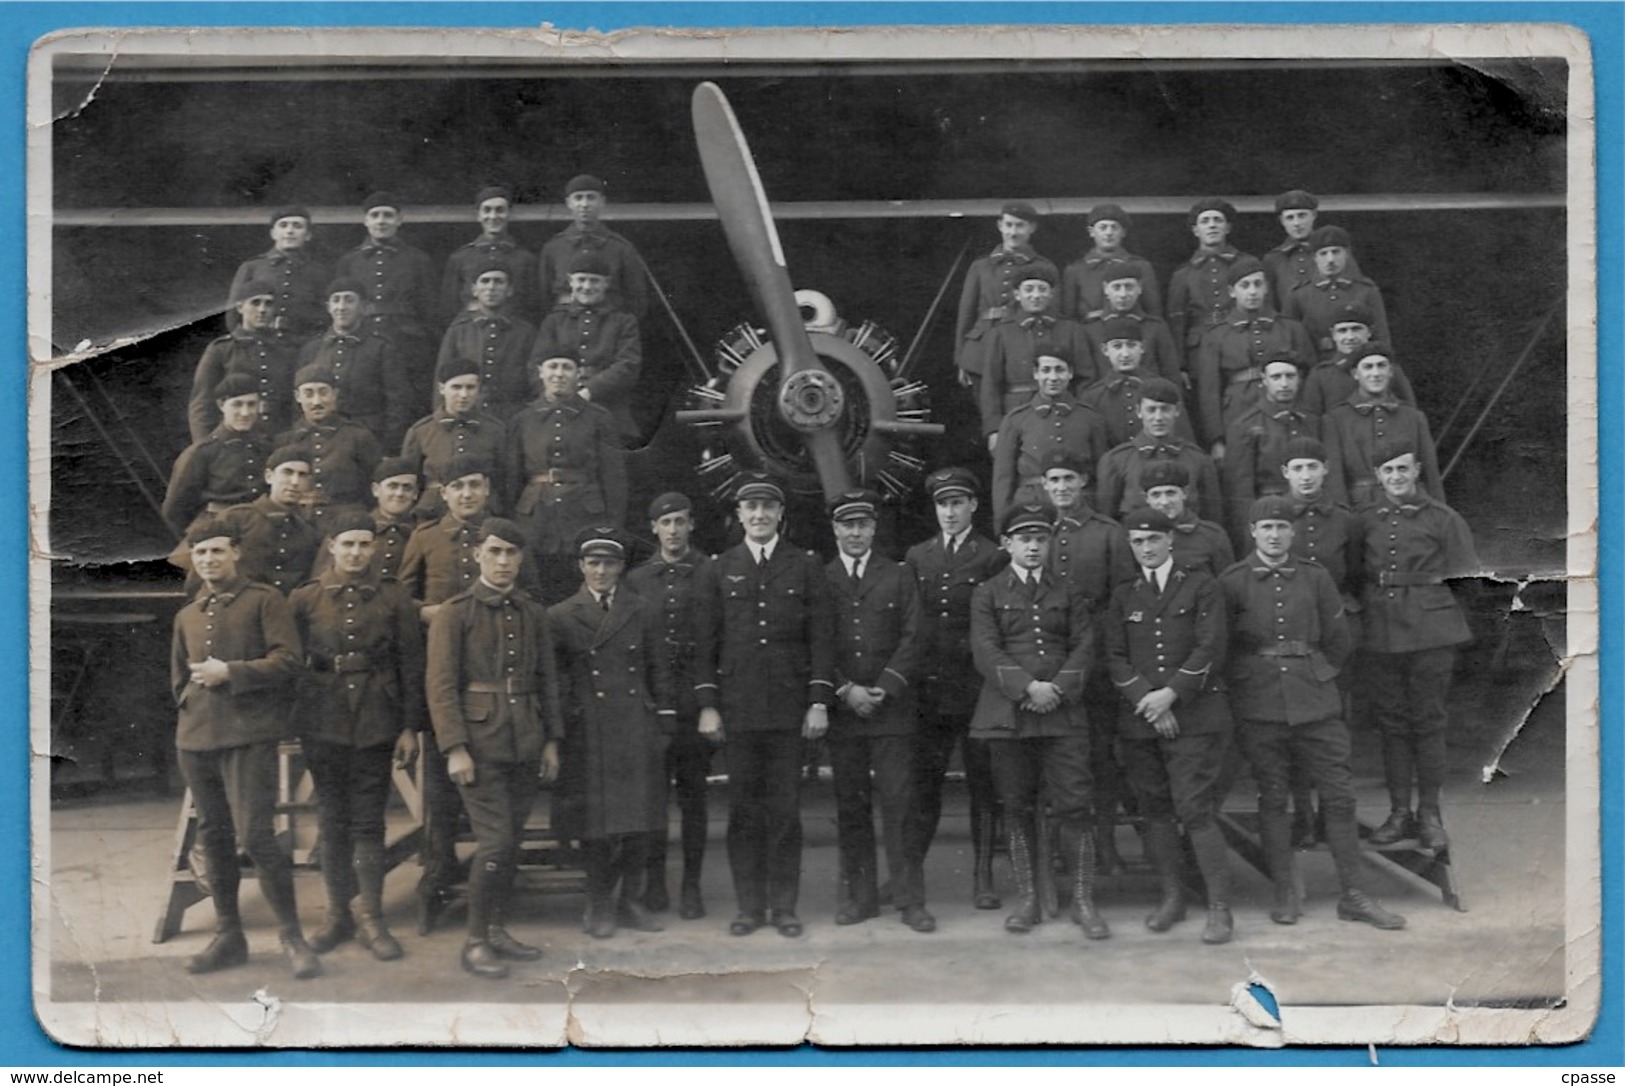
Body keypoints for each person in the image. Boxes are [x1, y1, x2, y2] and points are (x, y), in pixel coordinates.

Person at [1218, 495, 1405, 929]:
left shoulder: (1315, 578)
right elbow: (1222, 647)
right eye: (1266, 528)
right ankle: (1285, 891)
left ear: (1292, 532)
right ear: (1252, 532)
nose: (1275, 535)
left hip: (1317, 701)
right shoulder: (1232, 581)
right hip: (1259, 702)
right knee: (1274, 797)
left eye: (1282, 527)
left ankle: (1354, 895)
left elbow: (1339, 639)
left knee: (1339, 796)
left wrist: (1318, 675)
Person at [169, 517, 316, 978]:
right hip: (196, 739)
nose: (209, 560)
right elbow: (177, 679)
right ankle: (229, 936)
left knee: (256, 836)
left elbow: (289, 661)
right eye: (201, 554)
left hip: (249, 736)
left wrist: (231, 673)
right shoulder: (188, 614)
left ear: (235, 553)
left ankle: (292, 937)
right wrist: (193, 702)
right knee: (213, 837)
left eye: (217, 551)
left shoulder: (264, 601)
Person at [691, 473, 836, 938]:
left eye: (767, 508)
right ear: (739, 516)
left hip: (790, 710)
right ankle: (749, 907)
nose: (759, 515)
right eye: (750, 508)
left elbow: (821, 640)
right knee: (743, 812)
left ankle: (784, 906)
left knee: (786, 812)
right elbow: (705, 645)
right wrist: (708, 706)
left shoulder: (805, 566)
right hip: (738, 710)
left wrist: (817, 700)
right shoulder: (719, 568)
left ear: (780, 516)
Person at [426, 518, 563, 979]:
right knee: (495, 843)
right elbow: (441, 687)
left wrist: (550, 742)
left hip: (525, 737)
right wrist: (454, 748)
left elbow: (547, 681)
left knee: (511, 842)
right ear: (478, 556)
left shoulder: (531, 612)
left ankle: (498, 929)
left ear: (522, 560)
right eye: (495, 552)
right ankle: (476, 940)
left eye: (511, 554)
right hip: (479, 744)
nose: (504, 562)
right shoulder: (455, 611)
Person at [288, 510, 425, 961]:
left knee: (369, 819)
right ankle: (335, 916)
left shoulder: (394, 598)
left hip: (376, 717)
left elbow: (411, 665)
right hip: (322, 717)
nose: (356, 552)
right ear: (331, 546)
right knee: (331, 818)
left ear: (375, 548)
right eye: (347, 544)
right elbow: (290, 663)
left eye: (364, 544)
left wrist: (409, 726)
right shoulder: (305, 599)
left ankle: (372, 917)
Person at [968, 503, 1107, 940]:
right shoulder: (987, 593)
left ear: (1050, 543)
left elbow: (1085, 647)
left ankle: (1084, 901)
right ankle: (1027, 898)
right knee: (1016, 806)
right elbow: (986, 650)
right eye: (1024, 539)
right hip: (1009, 715)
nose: (1033, 546)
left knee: (1075, 807)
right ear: (1008, 543)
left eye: (1041, 539)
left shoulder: (1068, 592)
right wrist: (1029, 688)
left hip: (1063, 714)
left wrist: (1057, 690)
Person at [1103, 507, 1234, 944]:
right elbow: (1115, 656)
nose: (1146, 548)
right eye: (1138, 542)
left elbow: (1210, 647)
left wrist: (1170, 695)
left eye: (1153, 539)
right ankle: (1172, 897)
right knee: (1155, 810)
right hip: (1141, 721)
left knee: (1195, 809)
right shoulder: (1124, 594)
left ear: (1170, 540)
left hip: (1193, 717)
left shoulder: (1201, 584)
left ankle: (1219, 908)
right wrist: (1146, 699)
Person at [396, 453, 506, 934]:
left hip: (493, 681)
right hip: (441, 680)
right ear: (443, 493)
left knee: (495, 790)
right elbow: (400, 599)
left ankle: (496, 886)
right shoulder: (425, 538)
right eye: (458, 486)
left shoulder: (503, 537)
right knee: (441, 792)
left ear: (486, 489)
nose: (467, 494)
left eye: (476, 485)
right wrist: (425, 613)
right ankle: (436, 882)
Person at [550, 526, 672, 939]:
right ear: (581, 566)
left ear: (622, 567)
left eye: (610, 563)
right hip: (590, 730)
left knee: (639, 819)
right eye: (594, 563)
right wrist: (570, 718)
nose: (602, 571)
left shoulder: (643, 609)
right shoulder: (562, 615)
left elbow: (660, 670)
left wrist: (661, 722)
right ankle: (598, 902)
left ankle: (630, 900)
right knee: (596, 825)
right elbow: (557, 680)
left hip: (636, 724)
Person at [822, 489, 933, 933]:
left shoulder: (899, 575)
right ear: (835, 529)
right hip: (845, 710)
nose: (855, 532)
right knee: (851, 807)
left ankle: (910, 900)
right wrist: (846, 690)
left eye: (862, 525)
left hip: (892, 712)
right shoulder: (821, 576)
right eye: (846, 525)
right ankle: (862, 898)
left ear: (873, 528)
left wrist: (884, 688)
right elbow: (816, 641)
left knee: (900, 806)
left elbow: (914, 636)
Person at [1359, 440, 1478, 850]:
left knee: (1428, 722)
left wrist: (1443, 621)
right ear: (1378, 476)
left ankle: (1429, 814)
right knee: (1392, 724)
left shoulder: (1444, 519)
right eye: (1388, 471)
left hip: (1432, 632)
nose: (1396, 477)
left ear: (1417, 472)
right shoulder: (1366, 521)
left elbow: (1467, 583)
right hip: (1382, 632)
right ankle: (1398, 813)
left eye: (1403, 470)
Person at [902, 467, 1007, 911]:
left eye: (958, 503)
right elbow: (911, 624)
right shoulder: (918, 556)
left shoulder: (991, 556)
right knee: (923, 788)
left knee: (984, 788)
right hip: (930, 693)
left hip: (977, 690)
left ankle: (982, 879)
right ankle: (909, 878)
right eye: (943, 504)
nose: (949, 512)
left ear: (973, 507)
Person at [1038, 450, 1137, 873]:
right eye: (1054, 480)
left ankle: (1105, 841)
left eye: (1069, 479)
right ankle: (1062, 846)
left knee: (1099, 754)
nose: (1061, 488)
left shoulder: (1108, 533)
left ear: (1083, 482)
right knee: (1055, 754)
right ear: (1044, 485)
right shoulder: (1035, 531)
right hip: (1046, 658)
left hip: (1094, 661)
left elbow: (1124, 599)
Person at [625, 492, 713, 920]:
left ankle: (693, 885)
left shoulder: (711, 572)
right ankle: (656, 881)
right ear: (654, 529)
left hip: (697, 704)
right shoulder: (638, 580)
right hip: (654, 707)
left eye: (680, 521)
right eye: (666, 523)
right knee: (654, 800)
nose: (674, 530)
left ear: (691, 524)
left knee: (694, 799)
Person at [504, 353, 627, 603]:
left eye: (566, 367)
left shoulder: (598, 417)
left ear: (578, 373)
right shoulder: (522, 419)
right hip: (535, 519)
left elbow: (614, 479)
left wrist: (612, 526)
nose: (559, 374)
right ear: (540, 371)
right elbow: (512, 478)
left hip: (584, 516)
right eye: (552, 366)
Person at [1191, 255, 1313, 455]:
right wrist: (1216, 439)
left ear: (1266, 287)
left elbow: (1308, 378)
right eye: (1245, 285)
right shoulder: (1217, 335)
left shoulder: (1291, 328)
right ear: (1232, 292)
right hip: (1237, 410)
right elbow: (1209, 391)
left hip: (1287, 410)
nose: (1252, 291)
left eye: (1258, 284)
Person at [334, 192, 439, 410]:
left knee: (409, 399)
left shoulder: (418, 259)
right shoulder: (349, 261)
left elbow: (430, 309)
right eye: (375, 215)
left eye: (388, 215)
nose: (381, 221)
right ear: (366, 221)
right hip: (364, 339)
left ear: (399, 220)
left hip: (408, 342)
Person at [989, 347, 1111, 524]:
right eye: (1046, 370)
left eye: (1059, 370)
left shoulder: (1091, 419)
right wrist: (1002, 526)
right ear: (1036, 374)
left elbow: (1102, 475)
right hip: (1031, 506)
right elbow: (1003, 479)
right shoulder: (1016, 419)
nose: (1053, 378)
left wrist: (1102, 519)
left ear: (1070, 373)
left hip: (1080, 507)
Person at [533, 251, 644, 444]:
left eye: (594, 281)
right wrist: (556, 397)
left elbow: (628, 366)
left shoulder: (623, 321)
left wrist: (589, 391)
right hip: (558, 409)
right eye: (581, 280)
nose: (586, 287)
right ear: (570, 281)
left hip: (610, 409)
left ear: (606, 283)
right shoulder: (554, 321)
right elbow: (535, 364)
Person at [1220, 354, 1323, 549]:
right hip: (1269, 518)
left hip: (1312, 516)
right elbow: (1240, 492)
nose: (1284, 384)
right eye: (1276, 377)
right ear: (1264, 380)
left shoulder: (1313, 420)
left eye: (1290, 376)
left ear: (1299, 379)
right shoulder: (1245, 425)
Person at [953, 201, 1058, 390]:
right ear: (1000, 226)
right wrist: (961, 358)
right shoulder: (980, 267)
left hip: (1023, 346)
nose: (1013, 232)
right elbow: (966, 315)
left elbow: (1053, 316)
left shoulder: (1045, 267)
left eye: (1020, 226)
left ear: (1032, 228)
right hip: (980, 349)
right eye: (1008, 225)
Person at [979, 266, 1091, 443]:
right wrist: (994, 429)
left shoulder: (1072, 330)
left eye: (1042, 289)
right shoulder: (1000, 333)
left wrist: (1080, 417)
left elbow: (1086, 379)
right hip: (1015, 413)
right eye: (1029, 290)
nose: (1036, 295)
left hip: (1064, 413)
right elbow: (990, 385)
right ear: (1017, 294)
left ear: (1052, 293)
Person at [297, 276, 412, 446]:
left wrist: (389, 446)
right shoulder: (311, 349)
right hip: (321, 439)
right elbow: (299, 400)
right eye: (336, 301)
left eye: (349, 300)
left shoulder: (381, 347)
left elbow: (398, 403)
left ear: (364, 307)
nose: (341, 307)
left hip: (369, 438)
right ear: (328, 307)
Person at [1323, 347, 1443, 509]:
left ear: (1391, 372)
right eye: (1368, 367)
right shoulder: (1336, 419)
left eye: (1381, 366)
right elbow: (1335, 477)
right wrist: (1341, 515)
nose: (1376, 374)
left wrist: (1438, 511)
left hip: (1409, 505)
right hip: (1360, 507)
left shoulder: (1413, 416)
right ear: (1355, 374)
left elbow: (1431, 473)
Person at [1096, 377, 1222, 525]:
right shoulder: (1116, 461)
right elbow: (1107, 521)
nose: (1158, 417)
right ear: (1138, 411)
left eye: (1165, 409)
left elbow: (1212, 519)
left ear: (1177, 411)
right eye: (1151, 410)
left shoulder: (1198, 459)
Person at [188, 278, 301, 442]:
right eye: (255, 303)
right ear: (240, 307)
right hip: (234, 440)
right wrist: (204, 448)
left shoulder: (286, 350)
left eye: (268, 304)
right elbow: (201, 405)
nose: (262, 309)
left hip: (278, 438)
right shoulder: (221, 349)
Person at [161, 373, 273, 536]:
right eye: (237, 404)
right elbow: (173, 510)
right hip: (218, 532)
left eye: (251, 404)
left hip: (259, 531)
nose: (245, 412)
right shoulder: (201, 453)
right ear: (222, 405)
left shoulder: (265, 448)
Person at [275, 363, 383, 528]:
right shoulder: (285, 440)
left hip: (346, 523)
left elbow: (372, 489)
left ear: (335, 394)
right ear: (297, 396)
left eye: (323, 392)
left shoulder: (359, 437)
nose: (316, 401)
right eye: (308, 394)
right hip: (297, 524)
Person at [400, 357, 508, 519]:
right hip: (434, 512)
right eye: (456, 387)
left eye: (470, 387)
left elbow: (504, 478)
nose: (464, 394)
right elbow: (409, 480)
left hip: (482, 512)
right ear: (442, 389)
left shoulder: (495, 430)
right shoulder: (421, 431)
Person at [207, 445, 321, 596]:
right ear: (269, 476)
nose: (295, 481)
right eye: (287, 472)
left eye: (302, 475)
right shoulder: (236, 518)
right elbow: (203, 575)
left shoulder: (307, 529)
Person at [536, 173, 648, 321]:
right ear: (568, 203)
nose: (584, 204)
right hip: (564, 331)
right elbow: (543, 300)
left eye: (591, 197)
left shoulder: (621, 248)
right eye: (578, 198)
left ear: (602, 202)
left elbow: (637, 302)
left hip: (609, 331)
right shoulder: (553, 248)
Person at [436, 263, 537, 423]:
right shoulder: (459, 330)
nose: (491, 287)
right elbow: (442, 376)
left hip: (513, 415)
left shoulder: (525, 332)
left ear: (509, 290)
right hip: (469, 415)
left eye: (498, 282)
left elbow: (535, 378)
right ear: (474, 289)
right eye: (485, 281)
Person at [1077, 317, 1196, 448]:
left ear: (1142, 347)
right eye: (1117, 346)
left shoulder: (1165, 389)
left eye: (1131, 345)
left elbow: (1184, 442)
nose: (1125, 353)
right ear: (1105, 350)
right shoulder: (1093, 397)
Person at [1166, 198, 1253, 375]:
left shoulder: (1247, 264)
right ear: (1196, 230)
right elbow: (1177, 322)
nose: (1212, 225)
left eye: (1217, 220)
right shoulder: (1183, 274)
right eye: (1205, 221)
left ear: (1227, 228)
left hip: (1240, 342)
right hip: (1198, 350)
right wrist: (1180, 366)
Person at [1283, 225, 1391, 363]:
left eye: (1336, 252)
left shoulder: (1366, 290)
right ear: (1314, 257)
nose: (1330, 259)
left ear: (1346, 254)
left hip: (1360, 365)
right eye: (1323, 253)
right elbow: (1289, 339)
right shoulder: (1299, 294)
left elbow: (1381, 337)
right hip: (1316, 366)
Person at [226, 205, 330, 344]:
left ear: (308, 235)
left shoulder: (319, 272)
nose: (290, 231)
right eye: (283, 225)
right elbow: (233, 313)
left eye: (297, 226)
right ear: (273, 233)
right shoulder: (252, 267)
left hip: (304, 344)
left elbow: (327, 313)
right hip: (261, 344)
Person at [1299, 301, 1417, 418]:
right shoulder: (1321, 375)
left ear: (1369, 332)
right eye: (1342, 331)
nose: (1350, 337)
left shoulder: (1390, 370)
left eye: (1356, 329)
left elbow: (1409, 414)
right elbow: (1312, 418)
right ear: (1333, 334)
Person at [441, 185, 536, 321]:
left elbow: (534, 307)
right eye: (487, 210)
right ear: (478, 215)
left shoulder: (525, 259)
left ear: (510, 214)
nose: (493, 216)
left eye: (500, 210)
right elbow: (448, 308)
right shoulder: (460, 258)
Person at [1077, 265, 1181, 385]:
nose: (1123, 294)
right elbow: (1086, 377)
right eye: (1117, 287)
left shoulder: (1156, 327)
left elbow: (1171, 374)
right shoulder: (1090, 329)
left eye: (1129, 287)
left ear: (1140, 288)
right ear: (1106, 289)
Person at [1060, 203, 1163, 319]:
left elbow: (1154, 315)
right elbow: (1068, 317)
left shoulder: (1141, 267)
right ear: (1091, 232)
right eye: (1103, 227)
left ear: (1123, 232)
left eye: (1114, 227)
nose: (1109, 233)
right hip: (1089, 334)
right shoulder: (1075, 271)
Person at [1261, 190, 1364, 305]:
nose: (1297, 223)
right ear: (1282, 221)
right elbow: (1269, 303)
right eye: (1290, 218)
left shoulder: (1335, 252)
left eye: (1302, 215)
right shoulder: (1273, 259)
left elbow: (1357, 294)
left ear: (1314, 215)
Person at [1141, 459, 1235, 579]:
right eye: (1156, 495)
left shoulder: (1212, 535)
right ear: (1146, 498)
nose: (1164, 502)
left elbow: (1226, 584)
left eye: (1171, 493)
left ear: (1185, 493)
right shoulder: (1135, 536)